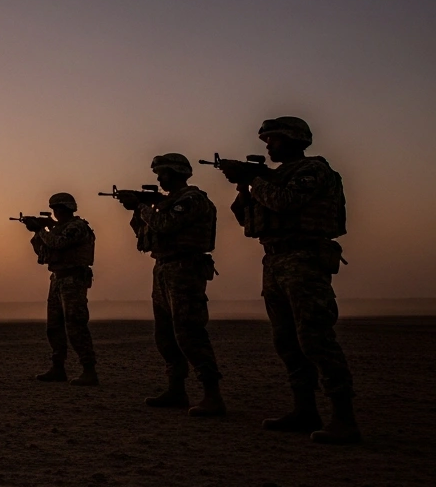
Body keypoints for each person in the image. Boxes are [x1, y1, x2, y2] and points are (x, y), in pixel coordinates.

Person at [217, 116, 360, 444]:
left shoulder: (313, 170)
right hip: (276, 260)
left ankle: (344, 418)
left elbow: (287, 202)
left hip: (304, 259)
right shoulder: (274, 177)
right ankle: (305, 410)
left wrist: (254, 178)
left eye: (274, 140)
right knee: (287, 341)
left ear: (295, 141)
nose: (268, 146)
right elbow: (243, 216)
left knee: (315, 338)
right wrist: (245, 184)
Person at [116, 153, 225, 416]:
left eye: (162, 173)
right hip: (164, 268)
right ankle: (177, 390)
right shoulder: (165, 205)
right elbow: (145, 237)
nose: (158, 178)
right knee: (165, 336)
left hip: (185, 269)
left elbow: (165, 226)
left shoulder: (191, 199)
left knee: (189, 333)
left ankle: (213, 395)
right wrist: (137, 211)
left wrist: (142, 206)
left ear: (175, 173)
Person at [25, 192, 98, 385]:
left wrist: (42, 229)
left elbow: (58, 243)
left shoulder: (77, 227)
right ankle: (58, 368)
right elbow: (43, 254)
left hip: (73, 279)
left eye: (57, 209)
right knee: (54, 327)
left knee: (75, 324)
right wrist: (36, 233)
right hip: (58, 279)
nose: (55, 212)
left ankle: (89, 369)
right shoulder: (57, 229)